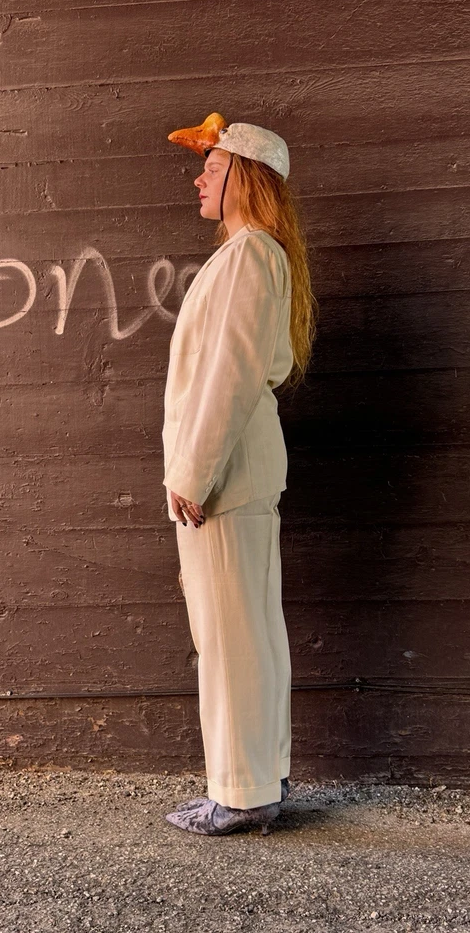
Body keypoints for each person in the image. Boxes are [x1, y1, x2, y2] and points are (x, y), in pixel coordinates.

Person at [161, 112, 317, 836]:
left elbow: (229, 376)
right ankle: (256, 779)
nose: (199, 178)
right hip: (236, 475)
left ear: (243, 179)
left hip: (225, 480)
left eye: (212, 170)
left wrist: (192, 472)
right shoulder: (251, 254)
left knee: (231, 637)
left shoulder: (251, 254)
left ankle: (244, 792)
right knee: (246, 631)